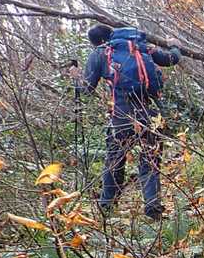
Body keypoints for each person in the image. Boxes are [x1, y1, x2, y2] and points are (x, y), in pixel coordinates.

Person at [74, 23, 181, 220]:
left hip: (121, 118)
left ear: (97, 42)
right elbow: (171, 59)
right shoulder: (141, 47)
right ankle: (153, 209)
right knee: (150, 162)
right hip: (149, 116)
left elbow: (86, 89)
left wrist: (75, 78)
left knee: (114, 162)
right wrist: (175, 45)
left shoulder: (100, 53)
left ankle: (107, 208)